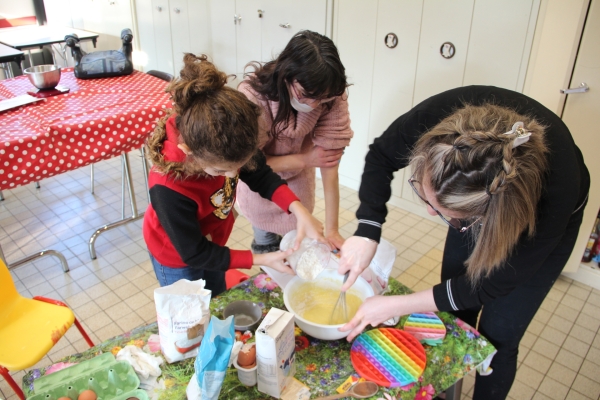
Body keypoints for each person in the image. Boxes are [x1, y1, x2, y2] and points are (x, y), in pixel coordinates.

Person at [337, 86, 590, 400]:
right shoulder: (444, 120)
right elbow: (381, 156)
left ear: (485, 214)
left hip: (539, 217)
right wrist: (367, 230)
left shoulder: (553, 199)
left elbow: (487, 286)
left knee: (499, 336)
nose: (430, 212)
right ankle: (448, 389)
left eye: (442, 212)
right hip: (481, 197)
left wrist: (395, 304)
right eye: (426, 196)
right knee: (457, 315)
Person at [143, 53, 325, 295]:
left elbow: (260, 174)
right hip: (177, 255)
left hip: (214, 243)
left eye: (236, 167)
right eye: (220, 170)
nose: (231, 176)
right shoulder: (168, 187)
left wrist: (298, 209)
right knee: (192, 313)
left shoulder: (231, 139)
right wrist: (260, 259)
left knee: (217, 296)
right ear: (190, 153)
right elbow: (195, 252)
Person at [236, 30, 353, 253]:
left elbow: (329, 165)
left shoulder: (332, 95)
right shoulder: (253, 96)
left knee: (297, 246)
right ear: (286, 75)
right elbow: (250, 166)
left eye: (323, 98)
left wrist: (332, 230)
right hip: (258, 187)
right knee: (266, 246)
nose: (315, 104)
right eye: (305, 94)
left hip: (299, 185)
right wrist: (305, 159)